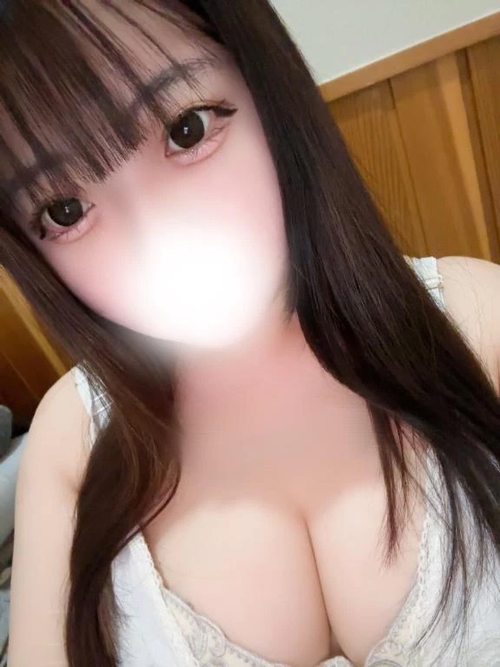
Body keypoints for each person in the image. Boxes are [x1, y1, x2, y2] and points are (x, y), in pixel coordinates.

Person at [1, 1, 499, 666]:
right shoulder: (71, 438)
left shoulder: (478, 318)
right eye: (64, 211)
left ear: (269, 91)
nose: (157, 236)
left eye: (187, 128)